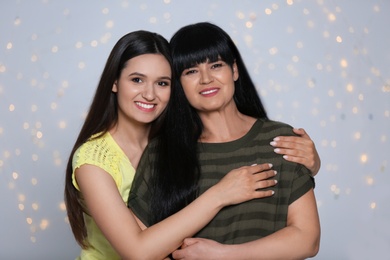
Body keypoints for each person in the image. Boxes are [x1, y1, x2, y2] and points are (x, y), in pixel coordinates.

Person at [64, 30, 283, 260]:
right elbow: (137, 252)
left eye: (162, 83)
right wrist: (219, 195)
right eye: (137, 80)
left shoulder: (178, 141)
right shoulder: (93, 160)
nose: (149, 94)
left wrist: (309, 162)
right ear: (115, 82)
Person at [128, 22, 320, 259]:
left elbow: (307, 239)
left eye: (216, 65)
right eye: (191, 71)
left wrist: (222, 255)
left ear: (234, 70)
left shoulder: (281, 140)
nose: (206, 79)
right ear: (178, 84)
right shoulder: (162, 153)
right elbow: (141, 248)